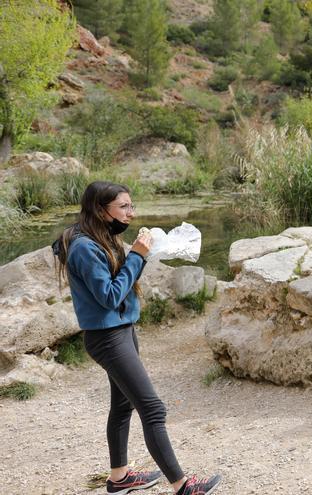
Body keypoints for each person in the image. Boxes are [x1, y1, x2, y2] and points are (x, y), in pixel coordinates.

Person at [53, 181, 222, 495]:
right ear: (101, 210)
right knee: (152, 408)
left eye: (131, 205)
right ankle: (183, 486)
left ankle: (119, 478)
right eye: (124, 207)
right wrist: (138, 256)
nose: (131, 213)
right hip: (107, 338)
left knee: (123, 405)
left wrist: (142, 253)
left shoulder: (100, 236)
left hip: (121, 331)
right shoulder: (85, 247)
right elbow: (109, 296)